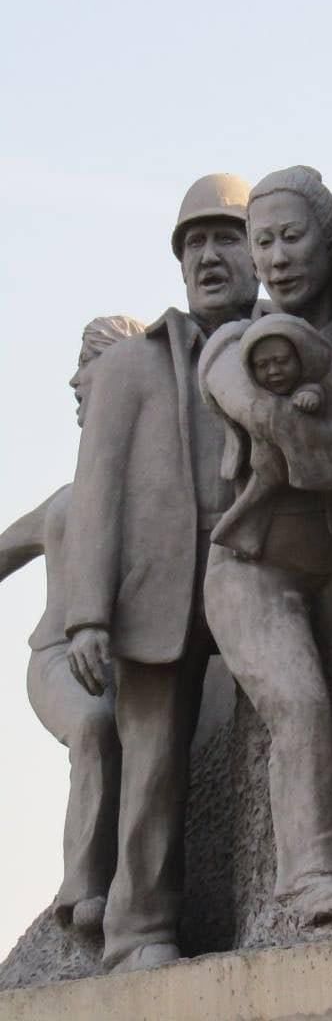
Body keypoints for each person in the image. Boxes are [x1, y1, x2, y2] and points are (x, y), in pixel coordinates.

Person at [64, 174, 259, 971]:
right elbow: (96, 496)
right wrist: (88, 615)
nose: (209, 257)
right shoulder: (130, 370)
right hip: (159, 584)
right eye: (195, 245)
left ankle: (287, 895)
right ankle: (139, 930)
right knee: (150, 759)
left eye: (226, 238)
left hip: (259, 564)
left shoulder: (288, 339)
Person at [202, 167, 332, 928]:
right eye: (263, 243)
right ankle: (309, 879)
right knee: (298, 702)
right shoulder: (238, 343)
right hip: (252, 573)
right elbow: (239, 390)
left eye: (292, 237)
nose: (277, 257)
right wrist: (275, 413)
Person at [0, 315, 142, 933]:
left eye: (87, 362)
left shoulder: (156, 497)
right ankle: (81, 888)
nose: (73, 380)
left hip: (130, 659)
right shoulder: (64, 501)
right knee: (93, 723)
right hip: (59, 660)